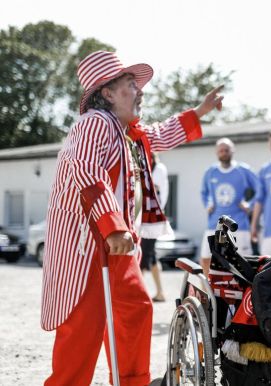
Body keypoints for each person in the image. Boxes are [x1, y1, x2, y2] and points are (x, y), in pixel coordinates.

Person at [41, 50, 223, 386]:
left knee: (135, 314)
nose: (140, 91)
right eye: (130, 84)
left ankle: (132, 381)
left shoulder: (127, 133)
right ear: (107, 92)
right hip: (89, 249)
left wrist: (200, 111)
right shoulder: (95, 124)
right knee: (81, 333)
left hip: (118, 249)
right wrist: (112, 227)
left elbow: (162, 134)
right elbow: (87, 170)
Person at [199, 137, 259, 273]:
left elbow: (260, 189)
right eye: (221, 150)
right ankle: (208, 291)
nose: (224, 153)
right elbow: (204, 193)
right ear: (216, 152)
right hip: (215, 223)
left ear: (233, 151)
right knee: (206, 258)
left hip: (239, 225)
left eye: (226, 150)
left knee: (243, 260)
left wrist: (249, 204)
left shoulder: (243, 170)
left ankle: (243, 292)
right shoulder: (211, 172)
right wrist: (208, 204)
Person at [140, 152, 169, 302]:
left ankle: (140, 292)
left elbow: (154, 189)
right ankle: (159, 292)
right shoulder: (146, 167)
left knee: (144, 255)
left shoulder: (158, 168)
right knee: (150, 256)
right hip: (144, 217)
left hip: (152, 219)